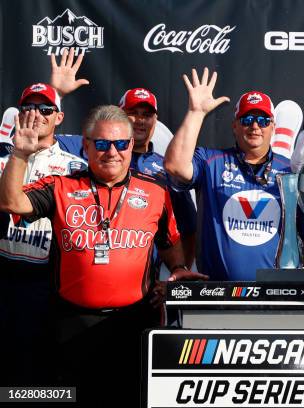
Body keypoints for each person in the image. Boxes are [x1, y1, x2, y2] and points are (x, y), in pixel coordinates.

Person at [0, 105, 202, 407]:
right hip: (71, 323)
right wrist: (20, 155)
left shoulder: (156, 192)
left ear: (131, 145)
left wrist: (179, 266)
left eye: (121, 143)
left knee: (129, 398)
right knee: (71, 399)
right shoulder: (61, 186)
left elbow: (168, 240)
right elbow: (10, 202)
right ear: (86, 145)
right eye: (102, 143)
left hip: (134, 322)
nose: (112, 152)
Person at [47, 49, 197, 268]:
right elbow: (42, 139)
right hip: (84, 271)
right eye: (132, 113)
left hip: (143, 281)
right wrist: (55, 94)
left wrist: (177, 273)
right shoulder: (93, 147)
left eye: (147, 115)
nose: (140, 121)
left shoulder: (165, 169)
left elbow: (189, 227)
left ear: (155, 120)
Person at [164, 68, 291, 280]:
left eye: (263, 120)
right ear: (234, 126)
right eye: (247, 119)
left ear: (273, 127)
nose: (254, 126)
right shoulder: (211, 161)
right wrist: (196, 113)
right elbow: (175, 165)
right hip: (217, 293)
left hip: (274, 296)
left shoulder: (289, 170)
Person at [0, 83, 86, 386]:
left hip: (48, 279)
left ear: (59, 118)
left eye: (45, 109)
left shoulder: (75, 167)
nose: (36, 114)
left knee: (43, 370)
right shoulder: (2, 158)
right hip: (5, 273)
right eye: (28, 108)